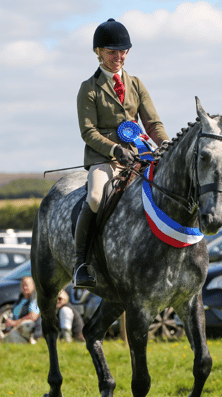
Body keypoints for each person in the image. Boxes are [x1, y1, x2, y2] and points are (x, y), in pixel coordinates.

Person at [73, 18, 170, 289]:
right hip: (105, 160)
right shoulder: (89, 88)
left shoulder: (136, 84)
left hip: (138, 157)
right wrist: (114, 148)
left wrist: (164, 144)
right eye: (112, 52)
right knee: (94, 197)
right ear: (99, 53)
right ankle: (81, 262)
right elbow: (88, 132)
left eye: (123, 51)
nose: (119, 57)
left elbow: (152, 123)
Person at [2, 276, 42, 344]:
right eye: (23, 285)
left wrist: (15, 323)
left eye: (27, 285)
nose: (25, 287)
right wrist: (9, 321)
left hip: (29, 327)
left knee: (25, 324)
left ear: (33, 285)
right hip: (16, 327)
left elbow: (33, 317)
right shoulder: (19, 300)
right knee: (6, 339)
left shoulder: (34, 299)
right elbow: (14, 315)